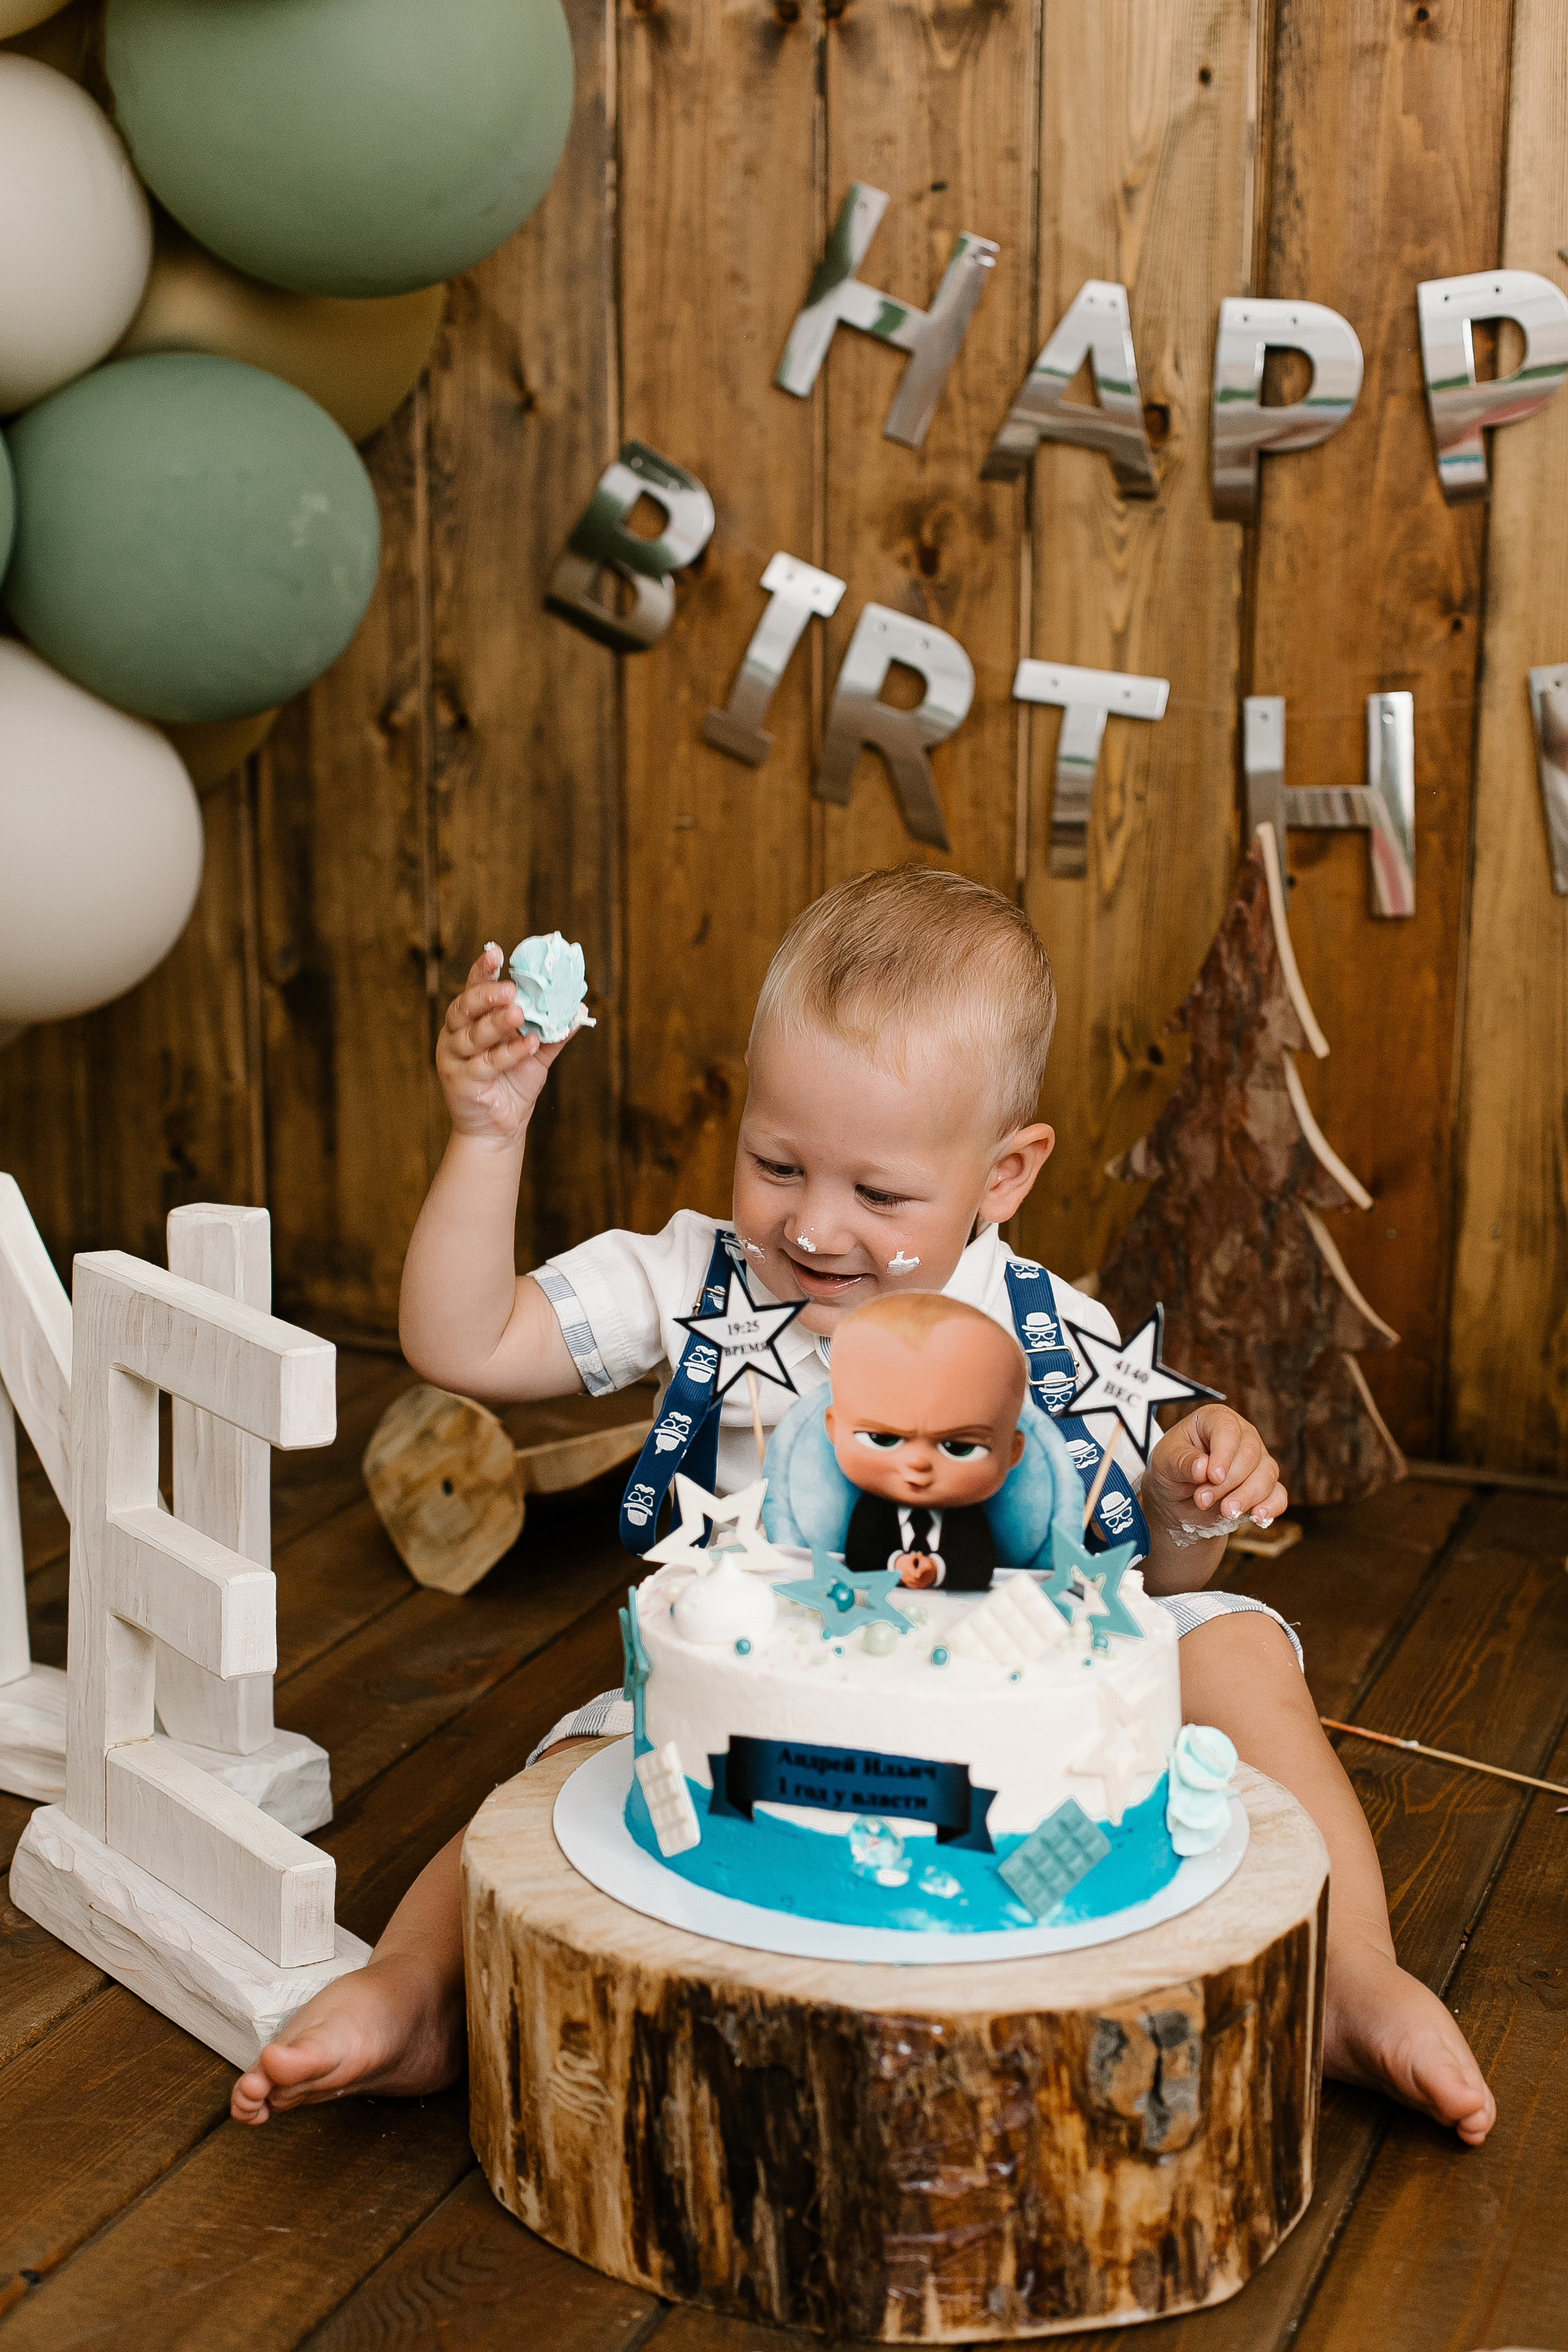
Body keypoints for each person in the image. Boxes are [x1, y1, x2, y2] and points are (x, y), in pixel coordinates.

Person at [231, 866, 1494, 2147]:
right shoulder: (700, 1279)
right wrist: (487, 1135)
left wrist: (1181, 1507)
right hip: (755, 1713)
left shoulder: (1051, 1337)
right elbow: (463, 1342)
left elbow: (1151, 1588)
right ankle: (423, 1989)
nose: (814, 1227)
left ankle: (1349, 1975)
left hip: (1014, 1727)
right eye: (776, 1163)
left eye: (878, 1194)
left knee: (1229, 1644)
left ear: (1004, 1174)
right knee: (575, 1771)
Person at [830, 1291, 1027, 1592]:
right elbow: (860, 1554)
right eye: (883, 1439)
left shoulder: (967, 1520)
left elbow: (978, 1565)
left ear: (1013, 1451)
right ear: (833, 1428)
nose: (918, 1463)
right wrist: (895, 1564)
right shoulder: (872, 1513)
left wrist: (937, 1570)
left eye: (959, 1447)